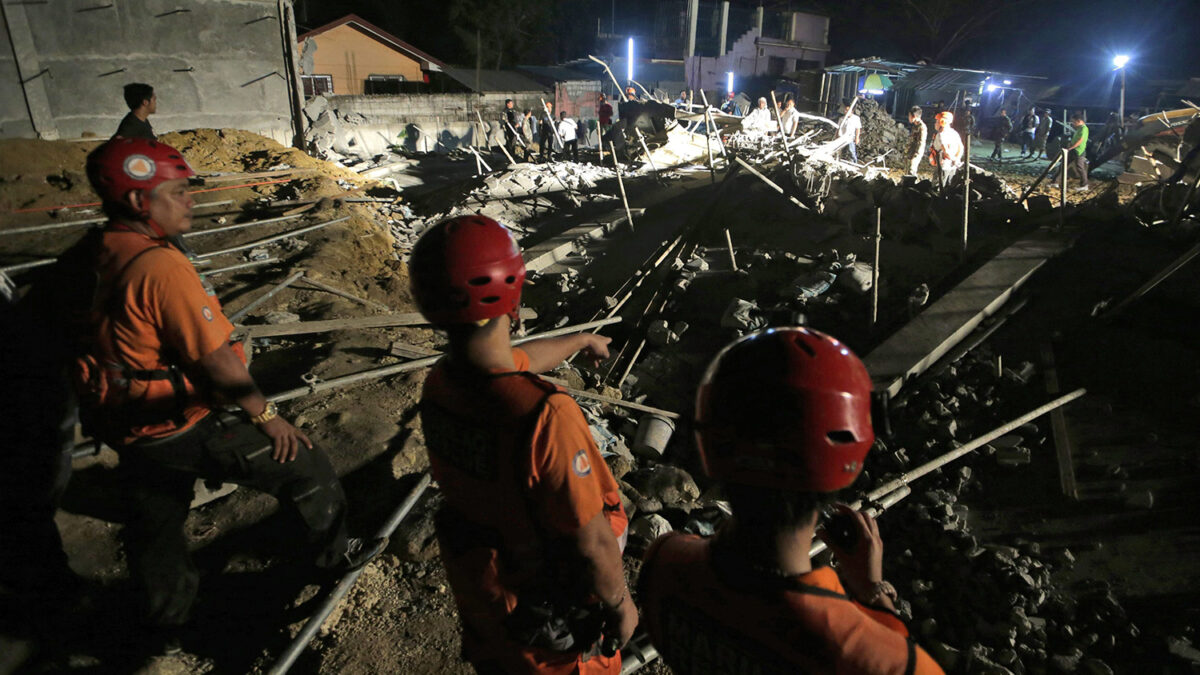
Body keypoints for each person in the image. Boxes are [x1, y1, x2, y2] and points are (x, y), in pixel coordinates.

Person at [67, 138, 380, 649]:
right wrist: (268, 416)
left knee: (156, 521)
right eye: (176, 192)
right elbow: (215, 363)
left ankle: (167, 625)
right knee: (304, 463)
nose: (189, 200)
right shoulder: (160, 267)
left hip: (124, 419)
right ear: (137, 203)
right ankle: (333, 557)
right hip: (181, 419)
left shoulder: (96, 249)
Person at [639, 328, 944, 674]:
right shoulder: (892, 663)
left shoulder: (664, 565)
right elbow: (886, 656)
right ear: (850, 453)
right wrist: (875, 591)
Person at [409, 215, 635, 675]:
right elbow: (591, 542)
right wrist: (621, 605)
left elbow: (522, 359)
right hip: (552, 629)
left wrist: (580, 339)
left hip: (492, 606)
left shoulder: (442, 383)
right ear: (514, 299)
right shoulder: (544, 414)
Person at [929, 111, 964, 193]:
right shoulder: (954, 133)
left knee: (937, 189)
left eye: (937, 121)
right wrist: (957, 159)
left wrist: (953, 159)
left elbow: (946, 151)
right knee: (949, 187)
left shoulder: (941, 135)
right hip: (953, 167)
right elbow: (961, 147)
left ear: (942, 122)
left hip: (943, 166)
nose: (935, 124)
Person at [1055, 113, 1090, 191]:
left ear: (1079, 121)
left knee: (1080, 167)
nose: (1073, 124)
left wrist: (1071, 147)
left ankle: (1085, 185)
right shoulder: (1079, 128)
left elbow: (1080, 140)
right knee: (1064, 165)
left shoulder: (1084, 128)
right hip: (1073, 150)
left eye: (1074, 122)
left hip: (1079, 151)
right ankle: (1055, 182)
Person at [837, 98, 862, 163]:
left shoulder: (856, 118)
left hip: (850, 137)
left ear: (852, 111)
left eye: (847, 110)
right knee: (840, 151)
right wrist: (837, 137)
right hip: (842, 137)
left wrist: (857, 138)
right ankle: (839, 161)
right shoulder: (841, 119)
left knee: (851, 150)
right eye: (845, 110)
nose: (845, 112)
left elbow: (858, 128)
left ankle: (854, 162)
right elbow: (838, 128)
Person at [906, 105, 927, 176]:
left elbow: (921, 142)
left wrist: (916, 155)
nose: (908, 117)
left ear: (914, 116)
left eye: (909, 115)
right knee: (907, 170)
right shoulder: (915, 126)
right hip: (911, 151)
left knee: (911, 171)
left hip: (916, 153)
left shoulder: (922, 127)